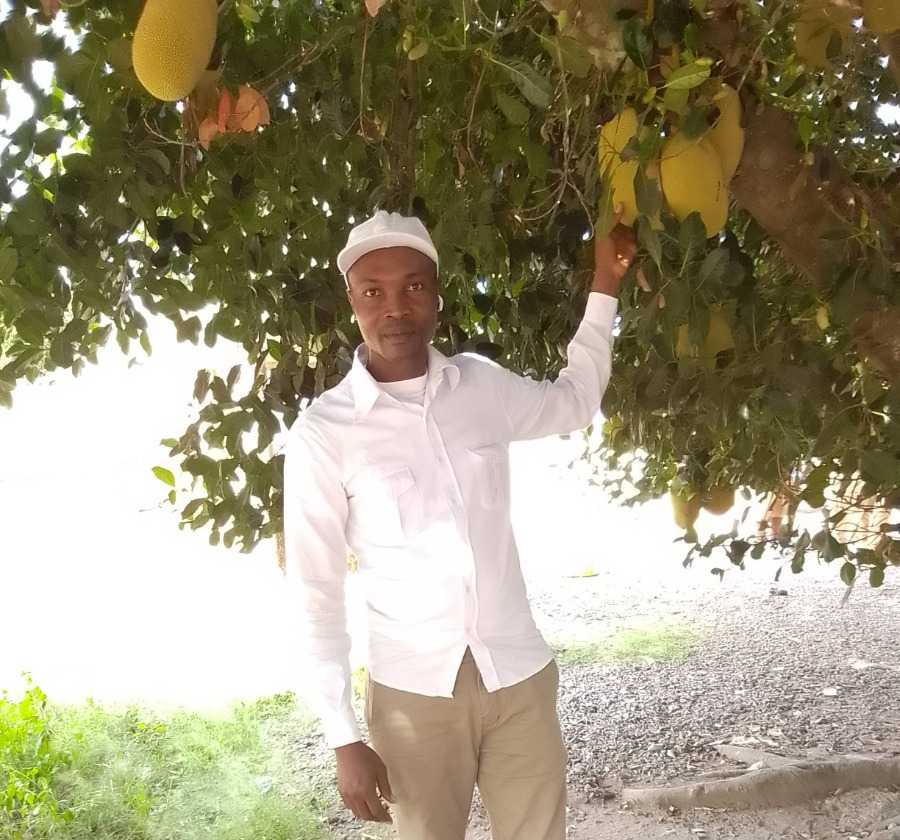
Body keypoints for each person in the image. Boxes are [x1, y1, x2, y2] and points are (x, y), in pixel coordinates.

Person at [283, 206, 636, 840]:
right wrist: (344, 737)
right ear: (352, 302)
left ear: (437, 294)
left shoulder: (482, 387)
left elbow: (577, 402)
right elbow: (316, 591)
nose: (396, 308)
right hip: (414, 693)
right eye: (374, 292)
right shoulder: (325, 434)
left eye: (413, 286)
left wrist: (606, 282)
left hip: (517, 675)